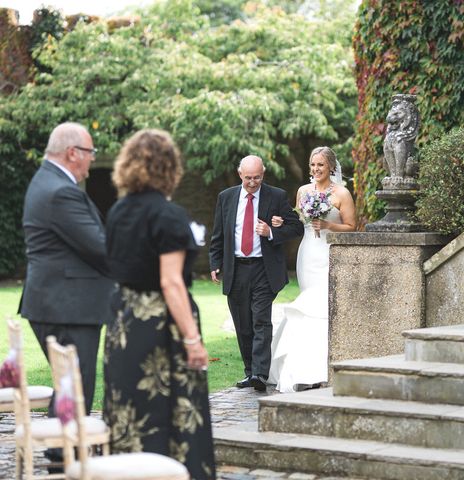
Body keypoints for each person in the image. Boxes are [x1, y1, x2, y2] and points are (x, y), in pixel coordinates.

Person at [103, 129, 215, 479]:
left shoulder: (118, 210)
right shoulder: (169, 215)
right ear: (169, 167)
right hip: (159, 330)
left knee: (128, 408)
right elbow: (170, 281)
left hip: (123, 322)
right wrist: (193, 340)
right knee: (170, 411)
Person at [19, 122, 113, 471]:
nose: (92, 159)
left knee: (69, 385)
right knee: (77, 384)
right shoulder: (61, 190)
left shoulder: (50, 181)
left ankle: (65, 454)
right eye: (90, 152)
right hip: (67, 304)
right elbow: (100, 248)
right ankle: (67, 457)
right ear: (73, 153)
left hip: (60, 301)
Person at [209, 155, 303, 392]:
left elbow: (297, 227)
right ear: (240, 174)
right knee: (242, 324)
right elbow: (218, 234)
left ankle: (260, 375)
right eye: (248, 178)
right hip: (236, 268)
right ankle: (249, 371)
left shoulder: (276, 196)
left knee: (261, 319)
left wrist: (271, 231)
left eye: (257, 178)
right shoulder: (226, 197)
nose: (252, 182)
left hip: (264, 268)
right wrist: (215, 263)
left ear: (263, 174)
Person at [269, 146, 355, 392]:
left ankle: (322, 367)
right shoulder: (303, 191)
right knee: (307, 303)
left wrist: (328, 224)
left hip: (328, 253)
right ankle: (300, 368)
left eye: (321, 165)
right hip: (307, 253)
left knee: (324, 305)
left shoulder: (342, 193)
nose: (316, 169)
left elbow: (352, 226)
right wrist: (280, 222)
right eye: (313, 165)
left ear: (330, 167)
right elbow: (298, 222)